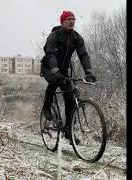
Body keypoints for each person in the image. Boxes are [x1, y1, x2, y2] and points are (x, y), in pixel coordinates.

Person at [40, 11, 97, 144]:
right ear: (62, 21)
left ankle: (68, 131)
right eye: (69, 19)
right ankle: (47, 107)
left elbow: (83, 55)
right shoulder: (54, 36)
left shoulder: (76, 37)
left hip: (64, 70)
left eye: (73, 19)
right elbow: (50, 54)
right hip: (49, 67)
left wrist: (89, 72)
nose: (72, 21)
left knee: (71, 99)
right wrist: (55, 70)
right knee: (54, 81)